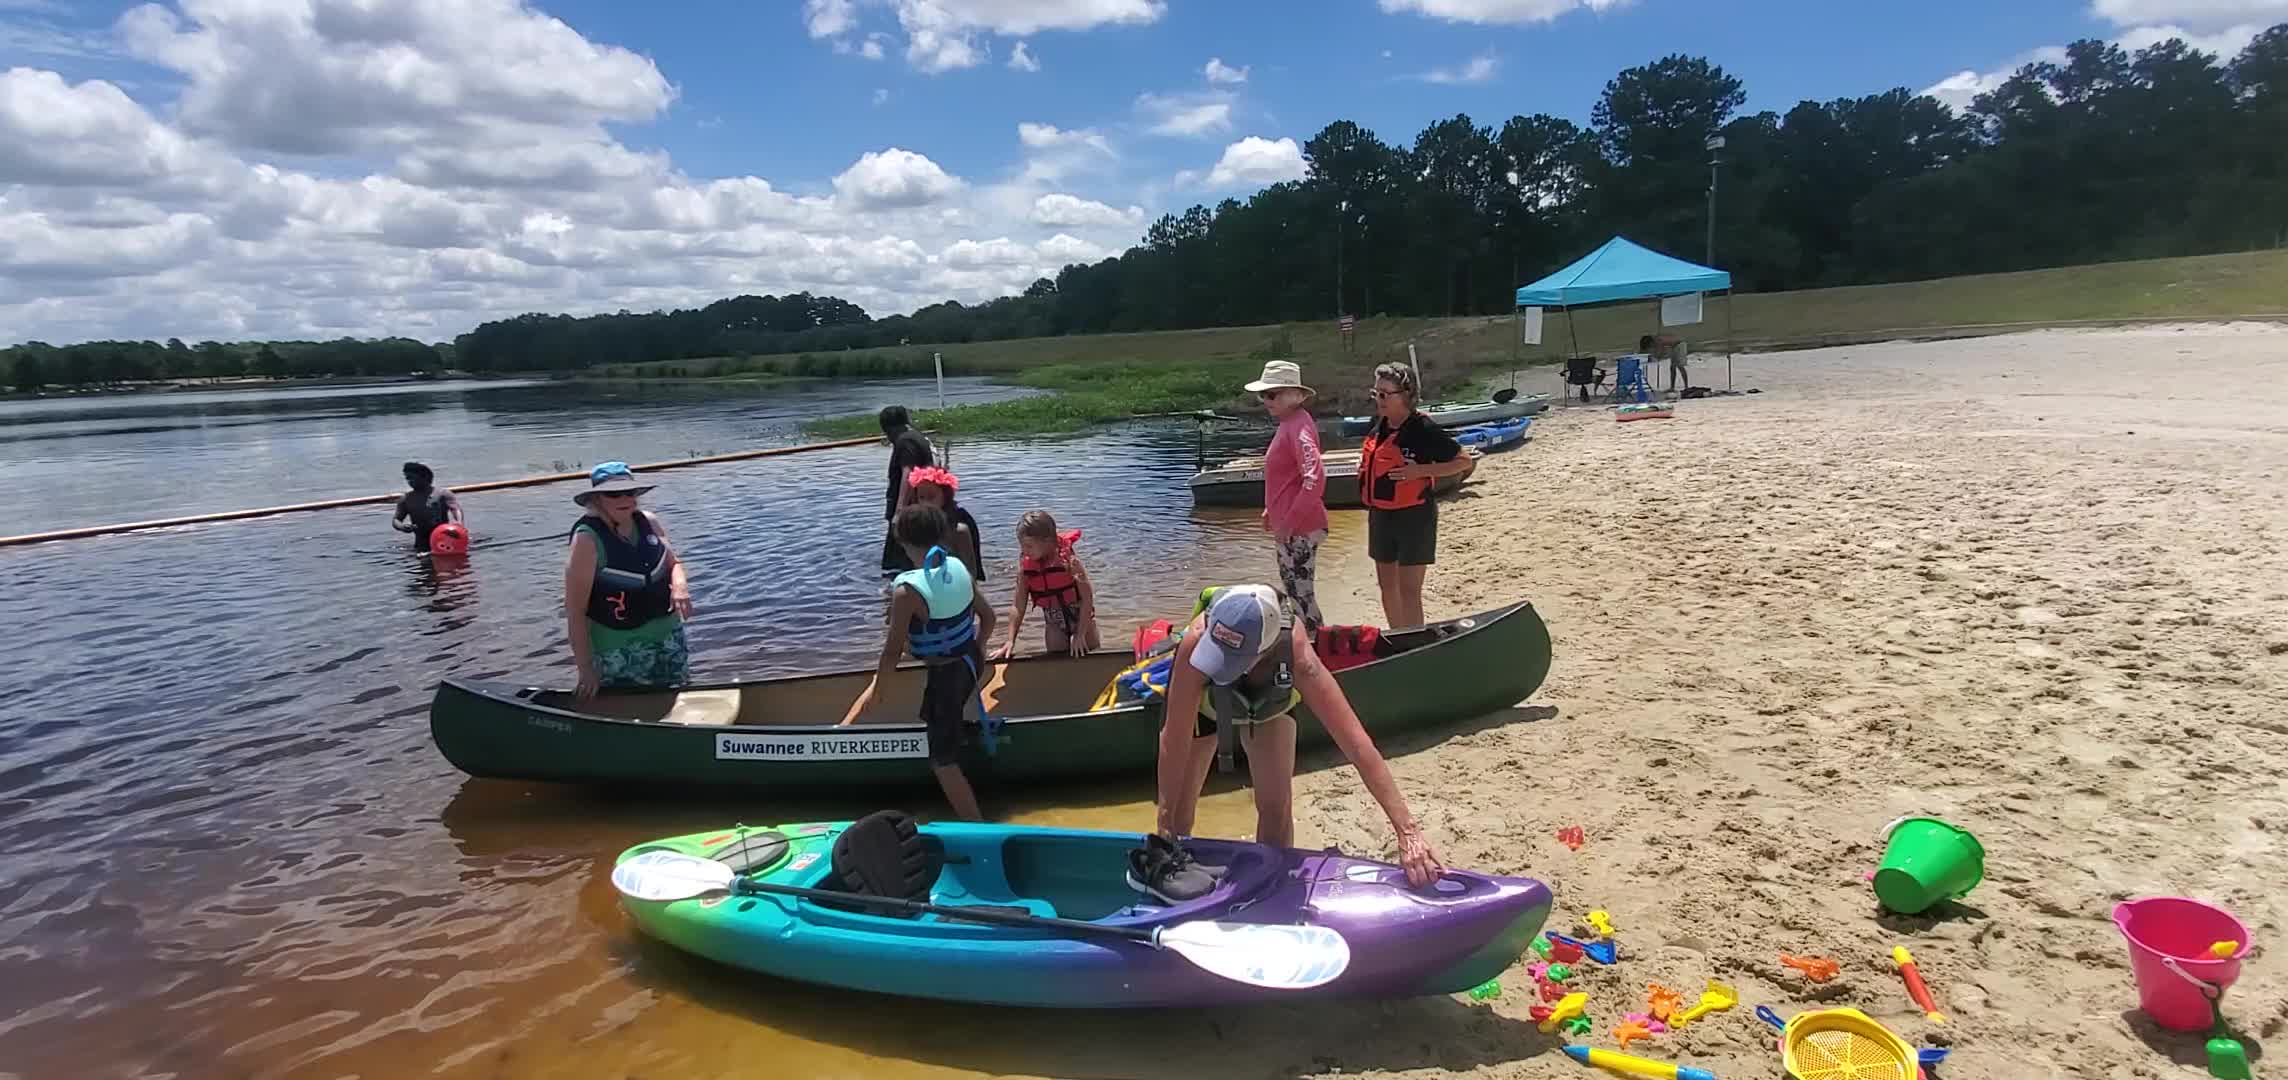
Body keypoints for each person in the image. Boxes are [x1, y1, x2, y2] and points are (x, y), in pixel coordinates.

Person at [1127, 585, 1444, 902]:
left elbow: (1356, 743)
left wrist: (1408, 832)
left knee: (1276, 807)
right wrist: (1165, 832)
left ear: (1263, 650)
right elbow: (1174, 738)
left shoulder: (1297, 656)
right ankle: (1173, 885)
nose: (1221, 665)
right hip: (1207, 705)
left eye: (1232, 660)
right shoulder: (1197, 644)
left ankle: (1267, 894)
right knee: (1178, 817)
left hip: (1268, 702)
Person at [841, 504, 996, 821]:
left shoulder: (906, 590)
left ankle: (978, 826)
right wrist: (977, 649)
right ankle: (955, 731)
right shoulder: (957, 566)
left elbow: (891, 651)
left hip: (948, 674)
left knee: (941, 761)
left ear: (900, 540)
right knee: (940, 716)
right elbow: (989, 618)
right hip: (970, 661)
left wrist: (880, 689)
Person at [563, 462, 693, 700]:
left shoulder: (649, 521)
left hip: (667, 637)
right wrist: (585, 669)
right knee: (633, 708)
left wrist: (681, 587)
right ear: (597, 499)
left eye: (629, 492)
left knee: (678, 700)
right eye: (613, 493)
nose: (625, 498)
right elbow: (575, 611)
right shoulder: (587, 539)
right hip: (618, 648)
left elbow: (673, 563)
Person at [1358, 362, 1470, 630]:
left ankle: (1414, 639)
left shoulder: (1422, 428)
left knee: (1409, 589)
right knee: (1387, 586)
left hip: (1415, 515)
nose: (1379, 400)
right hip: (1381, 513)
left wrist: (1420, 471)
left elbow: (1463, 461)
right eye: (1376, 394)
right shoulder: (1379, 425)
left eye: (1385, 394)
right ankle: (1399, 637)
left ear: (1405, 394)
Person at [1246, 360, 1327, 633]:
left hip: (1300, 529)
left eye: (1272, 394)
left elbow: (1315, 480)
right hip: (1291, 527)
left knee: (1301, 597)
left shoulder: (1299, 427)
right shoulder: (1289, 422)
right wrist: (1272, 510)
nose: (1266, 401)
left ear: (1295, 395)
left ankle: (1317, 651)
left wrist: (1289, 523)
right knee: (1295, 595)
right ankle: (1309, 648)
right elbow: (1288, 477)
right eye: (1263, 395)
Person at [995, 510, 1100, 659]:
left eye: (1029, 546)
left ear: (1048, 541)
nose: (1024, 551)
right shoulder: (1026, 569)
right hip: (1054, 622)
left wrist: (1080, 634)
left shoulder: (1070, 562)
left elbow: (1087, 598)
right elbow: (1018, 605)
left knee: (1093, 657)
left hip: (1082, 619)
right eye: (1022, 545)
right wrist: (1010, 640)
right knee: (1056, 659)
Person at [878, 405, 935, 573]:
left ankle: (895, 596)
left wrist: (899, 511)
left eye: (887, 433)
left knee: (897, 563)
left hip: (908, 511)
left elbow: (908, 473)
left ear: (890, 428)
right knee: (916, 557)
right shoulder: (918, 438)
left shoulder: (905, 441)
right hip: (920, 507)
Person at [905, 466, 983, 582]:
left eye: (931, 497)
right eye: (921, 497)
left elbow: (971, 571)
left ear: (945, 497)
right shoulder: (917, 525)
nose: (926, 502)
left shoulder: (958, 529)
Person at [392, 462, 464, 554]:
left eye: (412, 478)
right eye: (407, 479)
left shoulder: (442, 494)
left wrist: (459, 523)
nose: (409, 481)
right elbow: (396, 520)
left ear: (424, 477)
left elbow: (455, 508)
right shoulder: (406, 499)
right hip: (421, 544)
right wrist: (402, 527)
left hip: (444, 539)